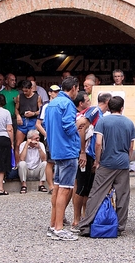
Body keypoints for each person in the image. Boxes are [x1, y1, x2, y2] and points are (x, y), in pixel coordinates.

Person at [79, 96, 135, 237]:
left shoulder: (103, 121)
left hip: (107, 161)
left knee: (96, 193)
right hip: (122, 162)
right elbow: (131, 146)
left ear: (109, 107)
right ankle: (120, 226)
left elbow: (98, 143)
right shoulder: (129, 123)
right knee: (122, 195)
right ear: (122, 108)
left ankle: (86, 225)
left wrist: (98, 161)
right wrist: (127, 160)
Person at [45, 76, 80, 241]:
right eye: (78, 89)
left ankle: (53, 225)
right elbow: (68, 127)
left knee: (58, 188)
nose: (77, 93)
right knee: (65, 189)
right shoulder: (67, 104)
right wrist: (80, 123)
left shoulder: (51, 104)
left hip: (56, 150)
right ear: (73, 88)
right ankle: (59, 228)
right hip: (68, 150)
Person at [71, 92, 111, 232]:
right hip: (85, 154)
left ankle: (85, 216)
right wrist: (82, 151)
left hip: (91, 154)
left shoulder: (101, 114)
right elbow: (81, 126)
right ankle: (76, 220)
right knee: (81, 187)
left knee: (87, 187)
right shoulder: (95, 110)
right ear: (108, 102)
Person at [35, 85, 61, 194]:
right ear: (49, 93)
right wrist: (47, 135)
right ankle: (51, 186)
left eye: (58, 92)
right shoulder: (46, 106)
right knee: (50, 162)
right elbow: (38, 124)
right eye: (54, 92)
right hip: (50, 138)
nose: (56, 93)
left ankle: (58, 185)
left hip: (59, 137)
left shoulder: (61, 104)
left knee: (59, 162)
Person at [15, 80, 42, 165]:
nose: (25, 92)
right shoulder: (20, 96)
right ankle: (17, 165)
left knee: (33, 143)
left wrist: (33, 113)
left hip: (33, 121)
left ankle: (34, 164)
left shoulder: (37, 97)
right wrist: (18, 116)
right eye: (23, 91)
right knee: (18, 144)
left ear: (31, 89)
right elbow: (16, 109)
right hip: (22, 120)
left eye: (26, 90)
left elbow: (41, 111)